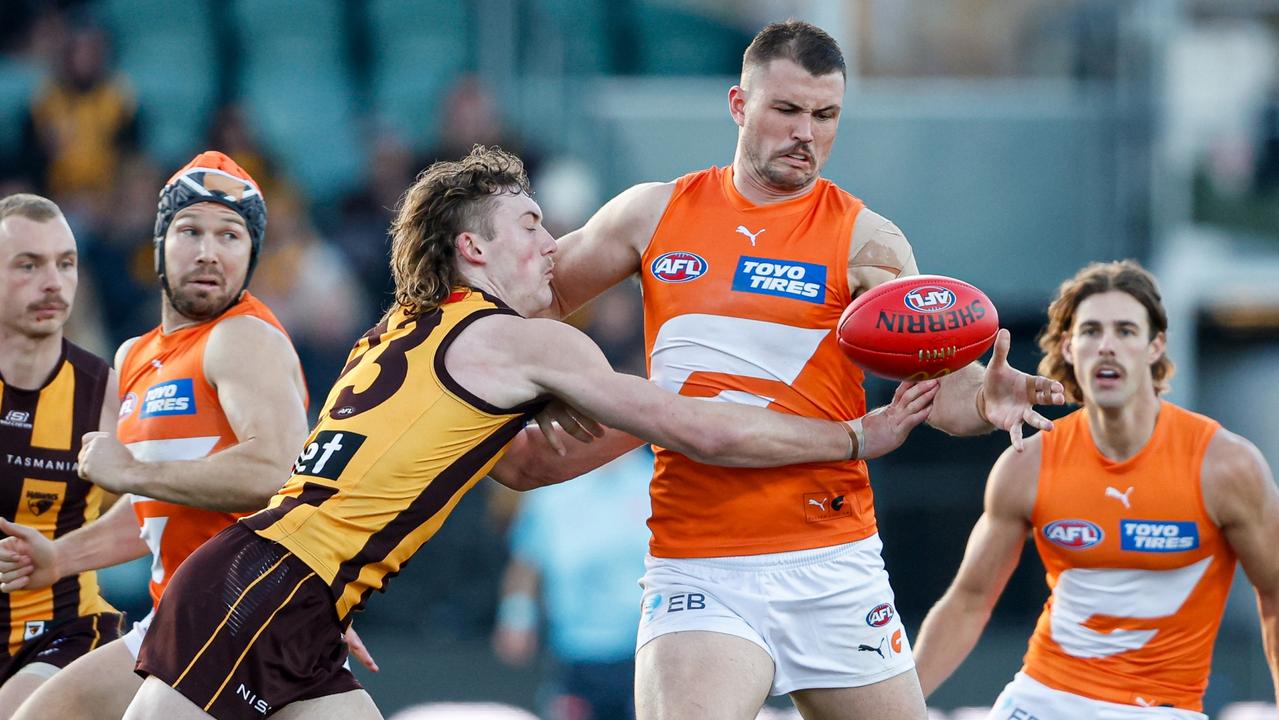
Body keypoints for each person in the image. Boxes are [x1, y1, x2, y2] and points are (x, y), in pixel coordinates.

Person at [115, 145, 938, 719]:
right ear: (473, 247)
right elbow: (698, 431)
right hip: (269, 589)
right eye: (533, 225)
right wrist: (852, 438)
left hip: (295, 594)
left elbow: (512, 463)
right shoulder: (528, 341)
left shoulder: (401, 326)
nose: (553, 244)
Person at [488, 20, 1066, 720]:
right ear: (739, 105)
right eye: (786, 110)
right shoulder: (653, 212)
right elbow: (530, 302)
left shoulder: (866, 239)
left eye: (825, 116)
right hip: (700, 558)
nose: (806, 133)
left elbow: (934, 394)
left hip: (830, 558)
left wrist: (980, 396)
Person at [0, 151, 374, 720]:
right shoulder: (134, 356)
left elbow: (279, 473)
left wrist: (133, 471)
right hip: (184, 619)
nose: (207, 252)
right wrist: (62, 557)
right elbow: (159, 505)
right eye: (189, 230)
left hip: (243, 619)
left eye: (230, 235)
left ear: (251, 256)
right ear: (158, 243)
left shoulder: (242, 337)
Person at [912, 260, 1279, 719]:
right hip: (1040, 699)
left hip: (1160, 709)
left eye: (1125, 331)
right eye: (1090, 332)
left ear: (1155, 345)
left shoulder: (1225, 465)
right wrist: (896, 708)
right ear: (1068, 347)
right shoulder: (1029, 462)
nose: (1106, 347)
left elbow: (1275, 597)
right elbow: (968, 601)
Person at [0, 193, 123, 718]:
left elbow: (169, 510)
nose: (53, 281)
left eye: (65, 264)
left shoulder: (106, 392)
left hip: (63, 632)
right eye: (29, 265)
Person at [493, 448, 654, 720]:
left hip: (647, 650)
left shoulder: (658, 481)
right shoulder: (551, 489)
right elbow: (527, 561)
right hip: (575, 650)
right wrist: (516, 617)